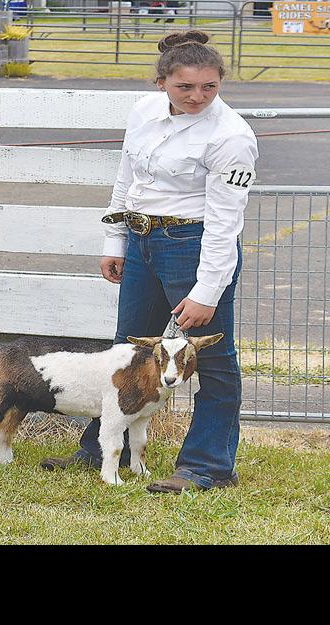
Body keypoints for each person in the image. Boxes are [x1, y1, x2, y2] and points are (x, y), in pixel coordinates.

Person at [39, 30, 258, 494]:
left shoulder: (232, 136)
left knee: (211, 359)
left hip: (193, 245)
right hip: (141, 239)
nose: (198, 96)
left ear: (220, 83)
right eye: (186, 87)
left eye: (209, 87)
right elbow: (127, 178)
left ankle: (207, 466)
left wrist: (207, 291)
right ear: (162, 83)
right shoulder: (143, 112)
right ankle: (101, 448)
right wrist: (114, 240)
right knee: (128, 351)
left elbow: (225, 223)